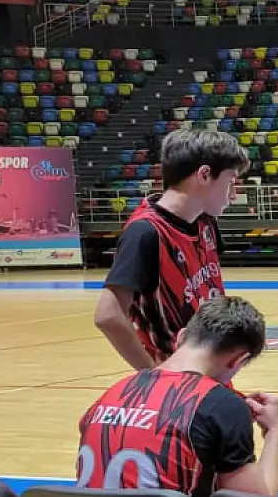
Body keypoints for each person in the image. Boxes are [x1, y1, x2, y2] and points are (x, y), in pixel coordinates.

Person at [77, 295, 278, 497]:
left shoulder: (112, 394)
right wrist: (273, 431)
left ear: (181, 337)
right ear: (238, 359)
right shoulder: (221, 404)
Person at [93, 129, 249, 370]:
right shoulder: (145, 232)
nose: (233, 195)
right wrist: (153, 374)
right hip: (176, 374)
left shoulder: (205, 220)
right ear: (204, 175)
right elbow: (108, 315)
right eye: (230, 183)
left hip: (207, 368)